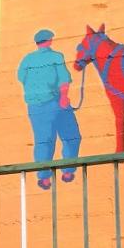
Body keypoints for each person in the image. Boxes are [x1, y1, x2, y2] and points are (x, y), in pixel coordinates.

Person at [16, 29, 82, 190]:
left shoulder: (27, 60)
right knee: (71, 136)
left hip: (35, 107)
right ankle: (67, 171)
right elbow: (64, 80)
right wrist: (64, 98)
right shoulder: (55, 57)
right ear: (50, 40)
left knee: (43, 141)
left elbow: (21, 78)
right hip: (55, 102)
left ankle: (44, 178)